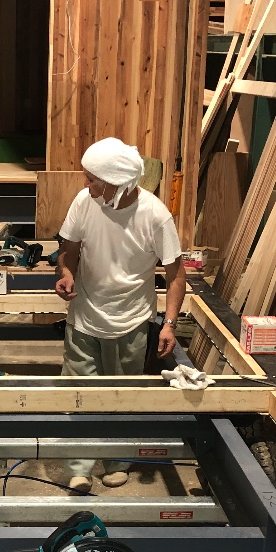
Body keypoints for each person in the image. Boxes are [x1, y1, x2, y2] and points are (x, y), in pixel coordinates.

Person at [54, 137, 187, 491]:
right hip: (84, 317)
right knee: (78, 394)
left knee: (122, 395)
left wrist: (169, 324)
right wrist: (66, 273)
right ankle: (80, 466)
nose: (86, 185)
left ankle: (116, 461)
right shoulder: (85, 202)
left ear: (116, 182)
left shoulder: (156, 216)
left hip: (131, 322)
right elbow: (69, 249)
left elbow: (176, 275)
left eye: (92, 179)